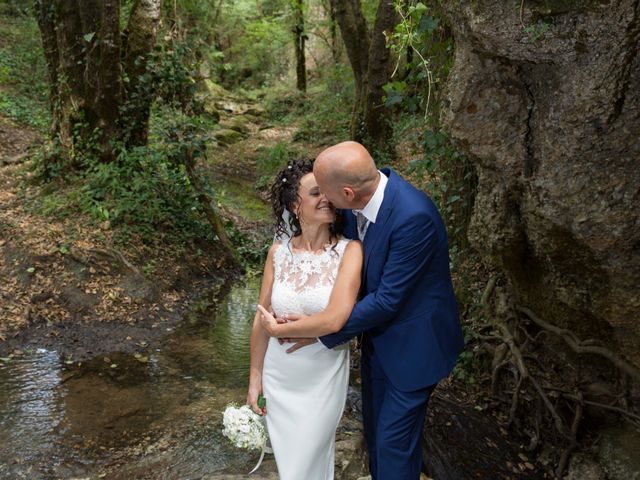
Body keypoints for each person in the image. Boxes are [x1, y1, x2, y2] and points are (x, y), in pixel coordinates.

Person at [259, 141, 465, 480]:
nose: (325, 201)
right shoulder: (357, 206)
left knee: (393, 446)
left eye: (327, 193)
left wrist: (319, 329)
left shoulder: (415, 217)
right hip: (377, 345)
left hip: (415, 348)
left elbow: (387, 299)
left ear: (349, 192)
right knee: (376, 443)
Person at [246, 157, 364, 480]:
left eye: (328, 192)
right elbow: (261, 319)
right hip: (279, 375)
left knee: (306, 461)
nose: (326, 198)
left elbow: (335, 319)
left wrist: (283, 327)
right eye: (315, 193)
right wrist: (255, 377)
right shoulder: (278, 253)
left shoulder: (350, 252)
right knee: (292, 468)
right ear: (295, 205)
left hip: (323, 376)